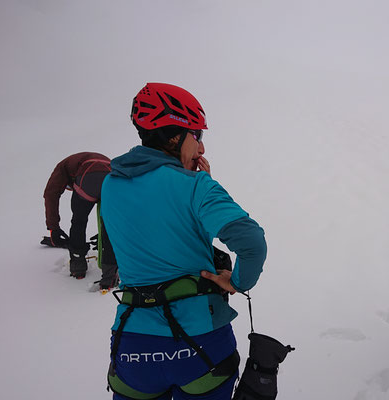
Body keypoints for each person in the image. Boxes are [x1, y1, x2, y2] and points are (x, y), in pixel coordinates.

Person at [100, 82, 267, 400]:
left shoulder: (110, 185)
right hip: (202, 345)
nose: (202, 148)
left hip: (133, 347)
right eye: (198, 135)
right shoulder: (197, 187)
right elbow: (251, 241)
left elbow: (156, 229)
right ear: (173, 135)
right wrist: (238, 282)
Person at [42, 152, 119, 290]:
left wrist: (53, 227)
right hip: (111, 179)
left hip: (87, 179)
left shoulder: (62, 168)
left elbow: (51, 193)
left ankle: (78, 267)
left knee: (79, 221)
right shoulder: (94, 159)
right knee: (109, 224)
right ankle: (110, 275)